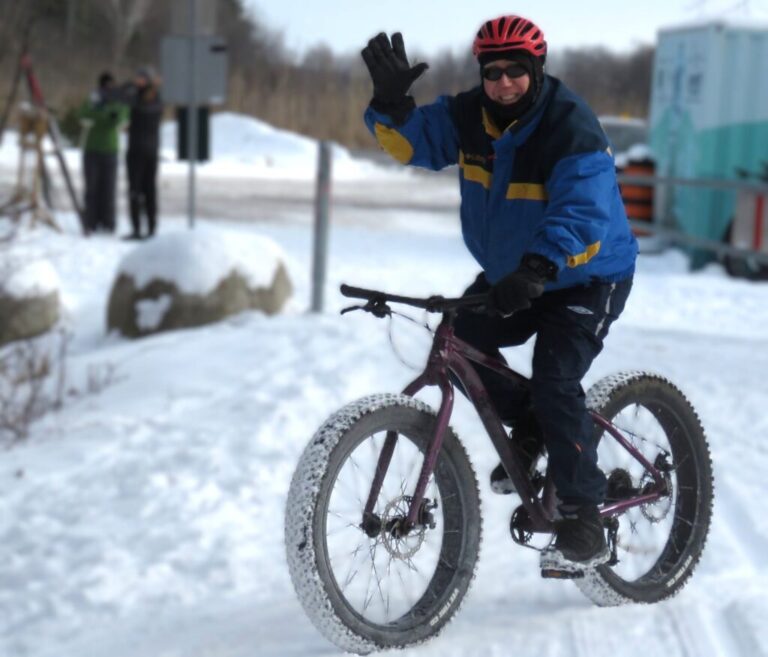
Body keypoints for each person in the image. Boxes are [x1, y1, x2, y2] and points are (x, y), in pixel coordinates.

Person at [361, 16, 638, 573]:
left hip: (586, 274)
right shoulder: (468, 116)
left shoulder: (569, 125)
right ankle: (536, 424)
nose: (504, 82)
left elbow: (586, 214)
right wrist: (392, 107)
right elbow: (409, 144)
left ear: (537, 70)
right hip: (516, 273)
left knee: (557, 378)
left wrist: (537, 267)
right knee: (460, 341)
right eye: (493, 72)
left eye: (516, 70)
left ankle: (586, 517)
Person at [79, 71, 128, 233]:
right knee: (91, 188)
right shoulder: (93, 98)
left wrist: (107, 116)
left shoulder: (118, 100)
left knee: (108, 188)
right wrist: (103, 114)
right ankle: (90, 221)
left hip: (110, 149)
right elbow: (83, 114)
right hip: (92, 148)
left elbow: (122, 117)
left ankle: (108, 222)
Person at [123, 67, 163, 239]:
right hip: (147, 149)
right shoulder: (149, 98)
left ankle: (145, 228)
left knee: (142, 190)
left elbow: (140, 108)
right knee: (143, 191)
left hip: (141, 151)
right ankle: (144, 228)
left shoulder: (149, 99)